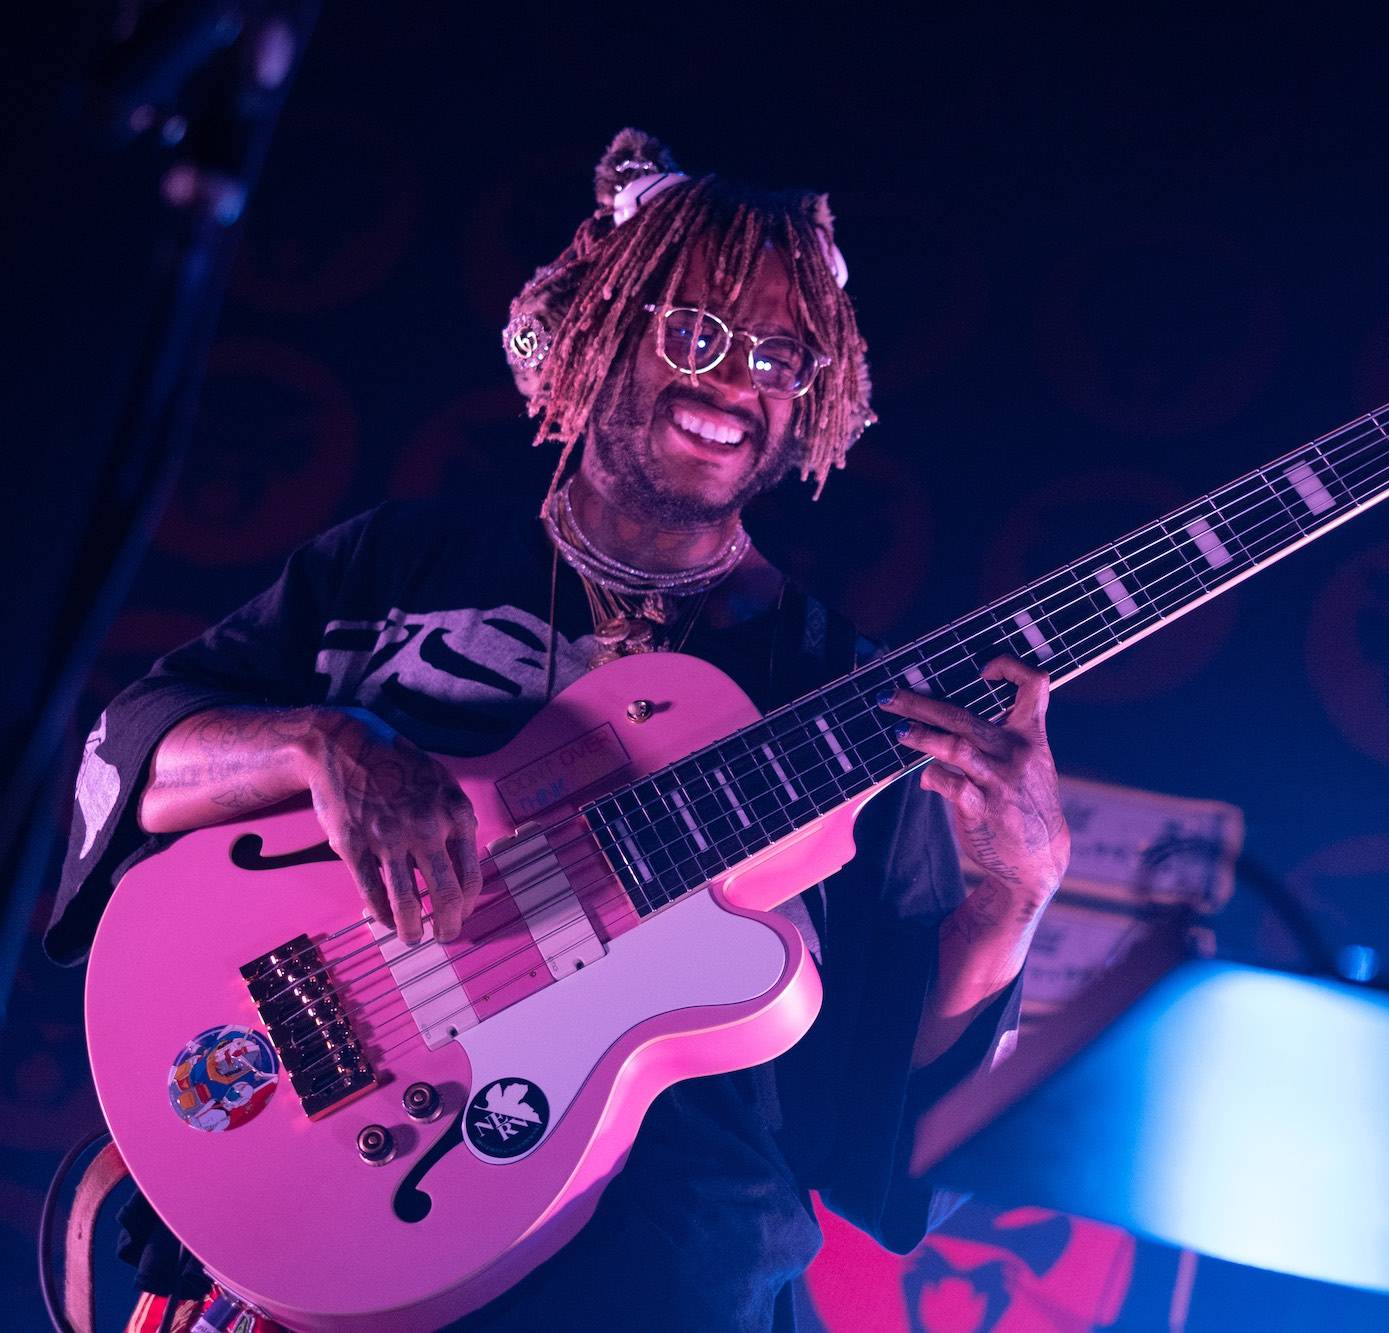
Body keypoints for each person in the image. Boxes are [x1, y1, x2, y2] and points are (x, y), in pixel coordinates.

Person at [49, 127, 1071, 1331]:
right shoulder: (397, 562)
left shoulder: (843, 695)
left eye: (777, 356)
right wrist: (321, 745)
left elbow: (893, 1125)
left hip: (667, 1285)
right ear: (599, 326)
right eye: (694, 331)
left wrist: (1011, 896)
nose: (732, 381)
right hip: (328, 1236)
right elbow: (137, 751)